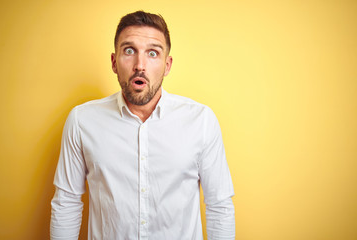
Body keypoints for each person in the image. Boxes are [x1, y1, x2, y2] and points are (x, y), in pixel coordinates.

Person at [50, 10, 235, 240]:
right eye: (129, 51)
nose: (140, 65)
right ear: (114, 62)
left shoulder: (201, 121)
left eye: (152, 53)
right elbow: (66, 203)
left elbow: (219, 206)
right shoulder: (82, 121)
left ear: (167, 65)